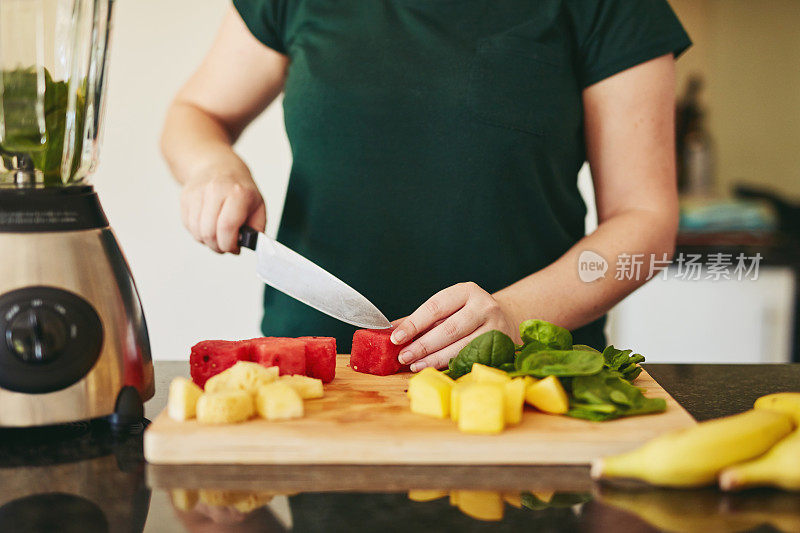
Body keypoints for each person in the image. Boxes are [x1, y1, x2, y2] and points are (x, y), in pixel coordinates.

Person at [161, 0, 691, 372]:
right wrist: (213, 166)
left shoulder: (615, 7)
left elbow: (646, 226)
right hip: (322, 382)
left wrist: (513, 314)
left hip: (525, 382)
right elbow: (196, 113)